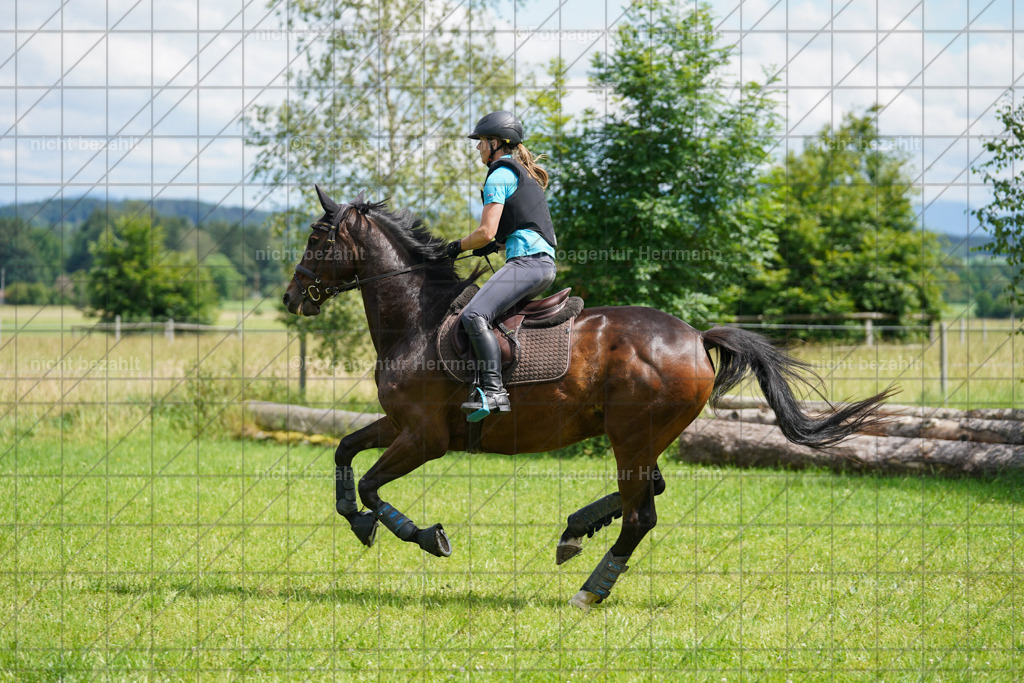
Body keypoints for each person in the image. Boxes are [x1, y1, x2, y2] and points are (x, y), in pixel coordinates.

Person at [445, 111, 558, 422]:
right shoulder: (520, 172)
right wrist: (492, 246)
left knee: (474, 314)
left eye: (481, 142)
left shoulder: (499, 174)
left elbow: (486, 231)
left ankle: (493, 391)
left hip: (528, 264)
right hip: (540, 263)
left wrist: (455, 247)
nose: (478, 148)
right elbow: (509, 232)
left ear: (495, 143)